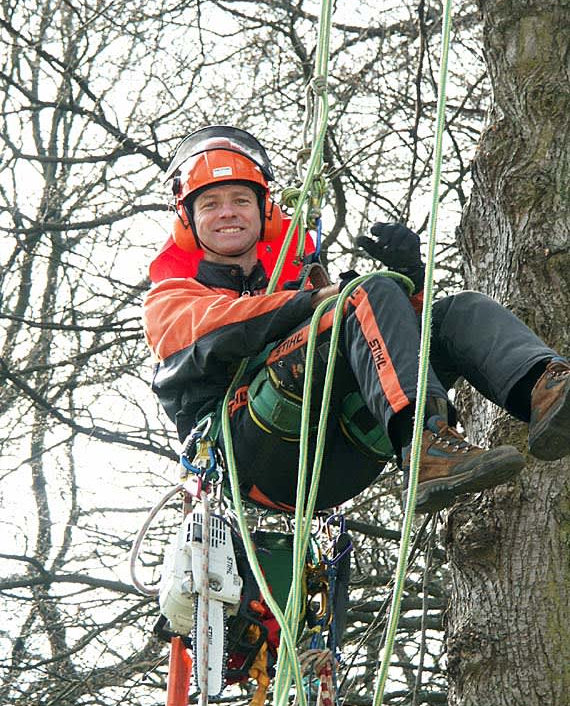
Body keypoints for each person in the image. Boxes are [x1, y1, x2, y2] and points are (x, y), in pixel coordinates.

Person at [143, 125, 570, 514]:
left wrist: (411, 280)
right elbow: (223, 328)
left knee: (457, 312)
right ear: (189, 221)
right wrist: (312, 301)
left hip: (341, 450)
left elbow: (395, 347)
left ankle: (542, 389)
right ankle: (425, 445)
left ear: (263, 212)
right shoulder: (171, 299)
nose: (228, 213)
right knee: (365, 295)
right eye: (211, 204)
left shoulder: (297, 284)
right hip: (257, 456)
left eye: (241, 200)